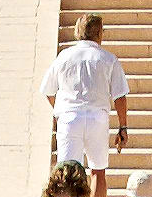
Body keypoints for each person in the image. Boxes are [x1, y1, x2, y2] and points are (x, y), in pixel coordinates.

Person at [40, 13, 128, 173]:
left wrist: (61, 109)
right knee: (98, 172)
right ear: (99, 33)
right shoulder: (109, 59)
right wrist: (123, 127)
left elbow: (48, 90)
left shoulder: (64, 56)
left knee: (67, 172)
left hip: (69, 117)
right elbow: (119, 96)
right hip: (97, 119)